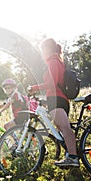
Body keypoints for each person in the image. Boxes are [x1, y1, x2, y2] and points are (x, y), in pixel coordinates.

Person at [28, 38, 79, 167]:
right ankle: (70, 155)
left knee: (65, 128)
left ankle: (73, 157)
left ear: (47, 49)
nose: (42, 53)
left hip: (57, 100)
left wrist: (34, 88)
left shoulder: (53, 61)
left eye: (42, 50)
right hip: (58, 99)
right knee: (62, 128)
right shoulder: (57, 61)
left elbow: (52, 84)